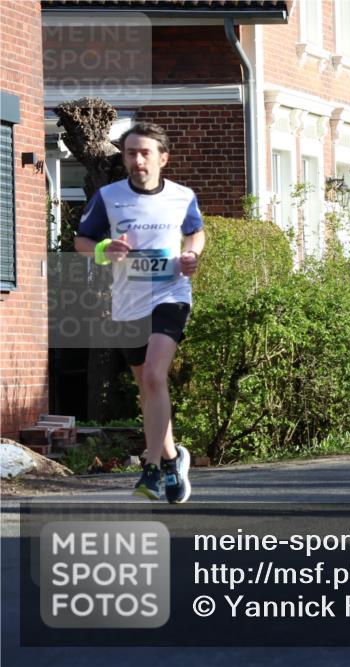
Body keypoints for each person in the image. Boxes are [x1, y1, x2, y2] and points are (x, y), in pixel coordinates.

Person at [74, 122, 205, 504]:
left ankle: (149, 466)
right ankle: (171, 458)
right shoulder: (108, 197)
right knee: (148, 390)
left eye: (145, 152)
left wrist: (192, 253)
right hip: (127, 302)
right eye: (130, 153)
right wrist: (103, 250)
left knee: (153, 373)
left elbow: (195, 231)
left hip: (171, 294)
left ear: (162, 158)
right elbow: (82, 240)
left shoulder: (182, 196)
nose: (137, 160)